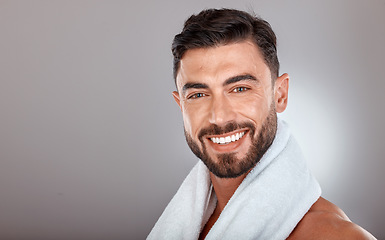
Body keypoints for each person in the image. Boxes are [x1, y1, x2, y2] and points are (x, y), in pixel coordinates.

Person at [148, 8, 376, 240]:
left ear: (280, 95)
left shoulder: (333, 235)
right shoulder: (187, 225)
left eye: (240, 89)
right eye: (198, 94)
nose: (219, 116)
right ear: (181, 105)